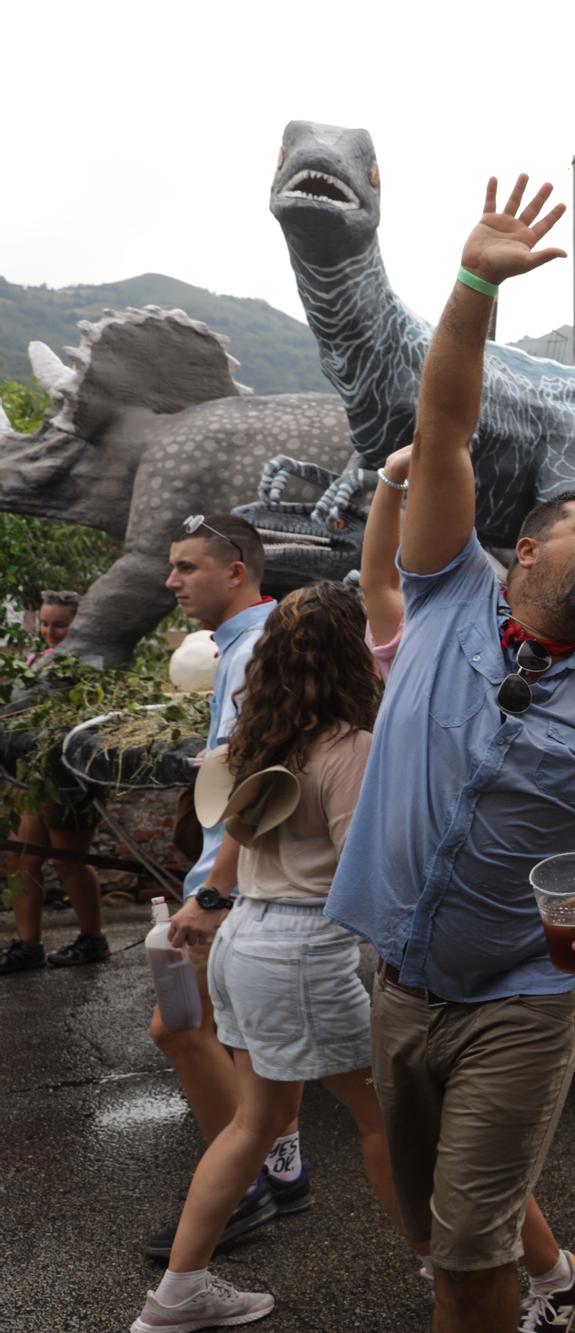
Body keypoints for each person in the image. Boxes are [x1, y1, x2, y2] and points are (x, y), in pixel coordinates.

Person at [323, 174, 575, 1333]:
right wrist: (471, 285)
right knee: (422, 1217)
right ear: (523, 551)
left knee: (464, 1249)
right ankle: (536, 1285)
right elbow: (442, 422)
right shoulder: (446, 592)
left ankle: (507, 1291)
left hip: (524, 997)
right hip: (395, 978)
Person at [131, 583, 402, 1331]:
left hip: (246, 938)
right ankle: (450, 1266)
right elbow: (360, 872)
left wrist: (210, 904)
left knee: (256, 1120)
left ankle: (179, 1293)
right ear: (356, 652)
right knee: (385, 1115)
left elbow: (235, 841)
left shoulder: (259, 735)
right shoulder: (349, 742)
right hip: (305, 950)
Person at [355, 442, 575, 1328]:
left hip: (510, 979)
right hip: (406, 965)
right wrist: (389, 484)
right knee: (449, 1189)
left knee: (468, 1207)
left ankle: (502, 1266)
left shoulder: (513, 653)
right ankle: (525, 1265)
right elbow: (384, 577)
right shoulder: (410, 647)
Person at [142, 513, 302, 1260]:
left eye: (186, 567)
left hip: (237, 886)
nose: (171, 581)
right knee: (255, 1044)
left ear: (236, 570)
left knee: (178, 1029)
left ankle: (241, 1190)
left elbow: (263, 785)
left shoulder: (255, 654)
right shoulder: (246, 646)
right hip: (245, 883)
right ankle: (279, 1165)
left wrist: (211, 894)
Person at [1, 592, 110, 976]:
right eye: (45, 623)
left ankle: (92, 938)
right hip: (35, 776)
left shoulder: (88, 666)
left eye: (59, 625)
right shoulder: (37, 662)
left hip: (69, 779)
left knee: (71, 860)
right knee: (21, 858)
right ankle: (28, 946)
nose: (49, 631)